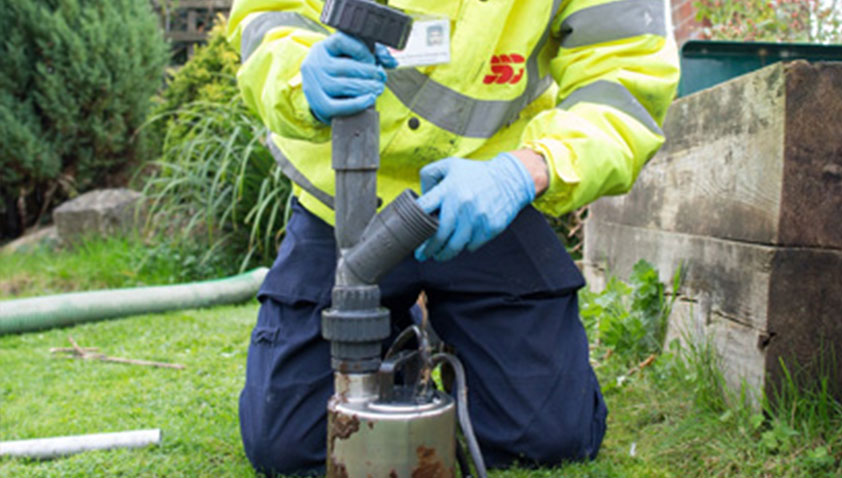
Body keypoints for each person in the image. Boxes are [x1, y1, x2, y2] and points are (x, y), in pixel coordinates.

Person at [227, 0, 680, 475]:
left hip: (484, 198)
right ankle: (403, 342)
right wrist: (299, 76)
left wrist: (526, 171)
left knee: (546, 438)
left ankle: (448, 335)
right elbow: (270, 17)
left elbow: (624, 77)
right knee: (292, 446)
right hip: (343, 207)